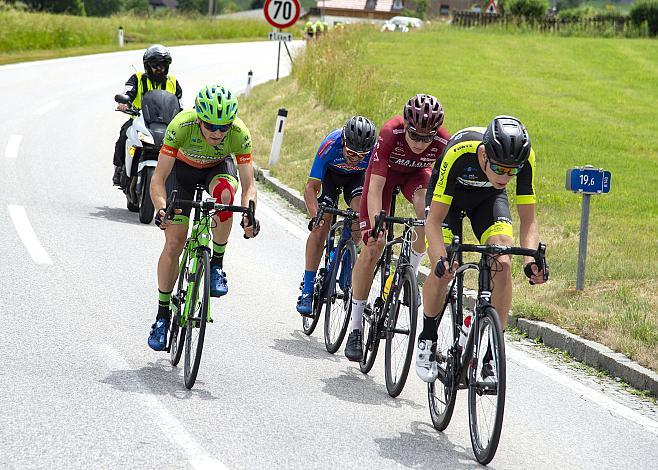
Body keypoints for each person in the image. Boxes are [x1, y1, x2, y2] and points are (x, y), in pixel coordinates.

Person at [416, 116, 549, 382]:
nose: (505, 177)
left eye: (512, 171)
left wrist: (531, 259)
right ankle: (427, 340)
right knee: (445, 270)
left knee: (503, 260)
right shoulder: (459, 152)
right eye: (500, 168)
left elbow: (529, 220)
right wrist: (440, 259)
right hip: (448, 202)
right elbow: (432, 222)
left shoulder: (523, 160)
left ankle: (491, 355)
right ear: (485, 155)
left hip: (487, 201)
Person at [146, 84, 260, 351]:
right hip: (181, 173)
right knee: (174, 243)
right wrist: (162, 208)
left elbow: (248, 185)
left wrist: (250, 214)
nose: (218, 133)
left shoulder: (239, 134)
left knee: (225, 199)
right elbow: (158, 179)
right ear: (199, 119)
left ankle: (217, 265)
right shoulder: (181, 126)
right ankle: (162, 317)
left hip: (216, 170)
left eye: (224, 127)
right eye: (211, 126)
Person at [344, 94, 451, 361]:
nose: (420, 143)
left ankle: (410, 272)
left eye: (427, 138)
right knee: (373, 246)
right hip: (384, 176)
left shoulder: (442, 142)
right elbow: (376, 187)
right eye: (415, 136)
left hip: (415, 178)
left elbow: (442, 192)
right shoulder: (391, 132)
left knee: (425, 212)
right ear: (406, 127)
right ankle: (355, 327)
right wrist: (377, 221)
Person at [296, 116, 378, 315]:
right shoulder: (331, 145)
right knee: (322, 224)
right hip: (330, 178)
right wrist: (316, 217)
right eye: (350, 152)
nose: (355, 158)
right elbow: (311, 187)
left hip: (356, 180)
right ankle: (307, 289)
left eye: (361, 155)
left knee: (358, 216)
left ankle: (346, 255)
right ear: (343, 141)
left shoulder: (374, 153)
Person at [113, 44, 182, 186]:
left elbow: (180, 104)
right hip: (139, 120)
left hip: (166, 124)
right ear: (147, 65)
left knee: (181, 145)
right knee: (123, 135)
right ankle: (119, 169)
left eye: (163, 65)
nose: (159, 69)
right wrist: (124, 103)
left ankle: (176, 181)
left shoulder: (173, 83)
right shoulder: (137, 79)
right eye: (155, 65)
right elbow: (127, 93)